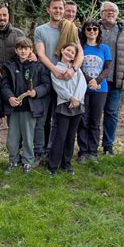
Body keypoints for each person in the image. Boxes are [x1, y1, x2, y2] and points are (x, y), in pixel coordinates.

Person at [33, 0, 83, 164]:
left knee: (60, 118)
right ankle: (40, 153)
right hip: (46, 77)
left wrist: (73, 69)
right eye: (54, 8)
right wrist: (54, 70)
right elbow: (40, 53)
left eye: (61, 8)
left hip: (66, 81)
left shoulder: (70, 28)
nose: (58, 11)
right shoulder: (40, 30)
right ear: (48, 10)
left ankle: (55, 152)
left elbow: (79, 52)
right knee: (42, 119)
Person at [1, 37, 51, 174]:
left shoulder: (38, 66)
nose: (23, 51)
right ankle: (13, 160)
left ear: (31, 50)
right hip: (14, 107)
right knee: (12, 138)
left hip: (30, 108)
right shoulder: (9, 65)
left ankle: (28, 161)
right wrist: (10, 97)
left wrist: (36, 92)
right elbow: (4, 85)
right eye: (20, 48)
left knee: (28, 138)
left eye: (26, 48)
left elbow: (46, 85)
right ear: (16, 50)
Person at [98, 1, 124, 156]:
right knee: (93, 114)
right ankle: (90, 146)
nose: (110, 13)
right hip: (96, 81)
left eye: (113, 10)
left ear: (117, 14)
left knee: (112, 113)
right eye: (107, 10)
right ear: (101, 13)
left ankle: (108, 146)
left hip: (115, 80)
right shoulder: (94, 29)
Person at [49, 43, 87, 175]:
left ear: (74, 57)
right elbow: (58, 86)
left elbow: (82, 84)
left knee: (71, 137)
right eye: (68, 50)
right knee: (60, 136)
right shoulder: (55, 69)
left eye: (73, 53)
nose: (69, 53)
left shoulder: (76, 70)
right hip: (64, 105)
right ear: (62, 50)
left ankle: (66, 164)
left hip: (77, 105)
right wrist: (70, 97)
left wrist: (76, 99)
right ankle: (53, 166)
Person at [77, 20, 111, 164]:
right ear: (84, 31)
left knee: (95, 121)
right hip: (82, 88)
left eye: (95, 29)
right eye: (89, 29)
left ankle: (93, 151)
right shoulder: (80, 48)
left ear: (99, 32)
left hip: (100, 89)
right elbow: (77, 66)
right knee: (83, 120)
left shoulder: (104, 48)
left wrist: (96, 81)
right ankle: (83, 151)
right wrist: (89, 80)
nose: (92, 31)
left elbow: (108, 68)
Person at [0, 4, 26, 68]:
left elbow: (27, 53)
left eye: (4, 15)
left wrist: (31, 55)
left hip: (14, 76)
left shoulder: (19, 34)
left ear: (8, 16)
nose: (2, 18)